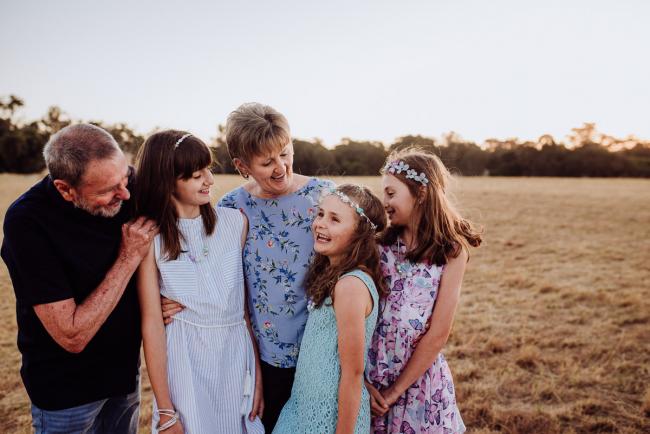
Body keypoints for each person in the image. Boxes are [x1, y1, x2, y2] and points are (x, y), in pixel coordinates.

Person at [163, 102, 334, 431]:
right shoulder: (232, 208)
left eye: (285, 153)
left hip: (320, 349)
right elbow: (213, 274)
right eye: (267, 161)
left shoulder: (324, 197)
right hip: (262, 358)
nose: (281, 167)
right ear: (242, 166)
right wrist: (172, 299)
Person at [1, 123, 153, 433]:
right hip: (66, 391)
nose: (125, 194)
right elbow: (72, 335)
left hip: (124, 374)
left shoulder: (127, 186)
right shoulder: (27, 222)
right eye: (108, 190)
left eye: (124, 179)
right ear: (65, 189)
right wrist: (128, 258)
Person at [134, 130, 264, 433]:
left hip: (235, 356)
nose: (209, 180)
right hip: (185, 360)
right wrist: (166, 411)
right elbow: (152, 323)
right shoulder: (151, 239)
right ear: (167, 181)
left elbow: (243, 311)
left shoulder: (235, 223)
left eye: (208, 169)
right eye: (196, 175)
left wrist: (256, 373)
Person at [366, 149, 482, 433]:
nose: (385, 202)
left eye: (391, 193)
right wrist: (361, 382)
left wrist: (395, 392)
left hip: (418, 384)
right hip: (370, 379)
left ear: (420, 193)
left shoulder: (451, 252)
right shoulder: (377, 244)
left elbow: (438, 333)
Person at [273, 184, 387, 434]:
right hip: (304, 408)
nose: (320, 223)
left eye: (335, 219)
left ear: (359, 234)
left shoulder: (351, 286)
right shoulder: (332, 274)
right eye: (321, 214)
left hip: (329, 418)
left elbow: (353, 373)